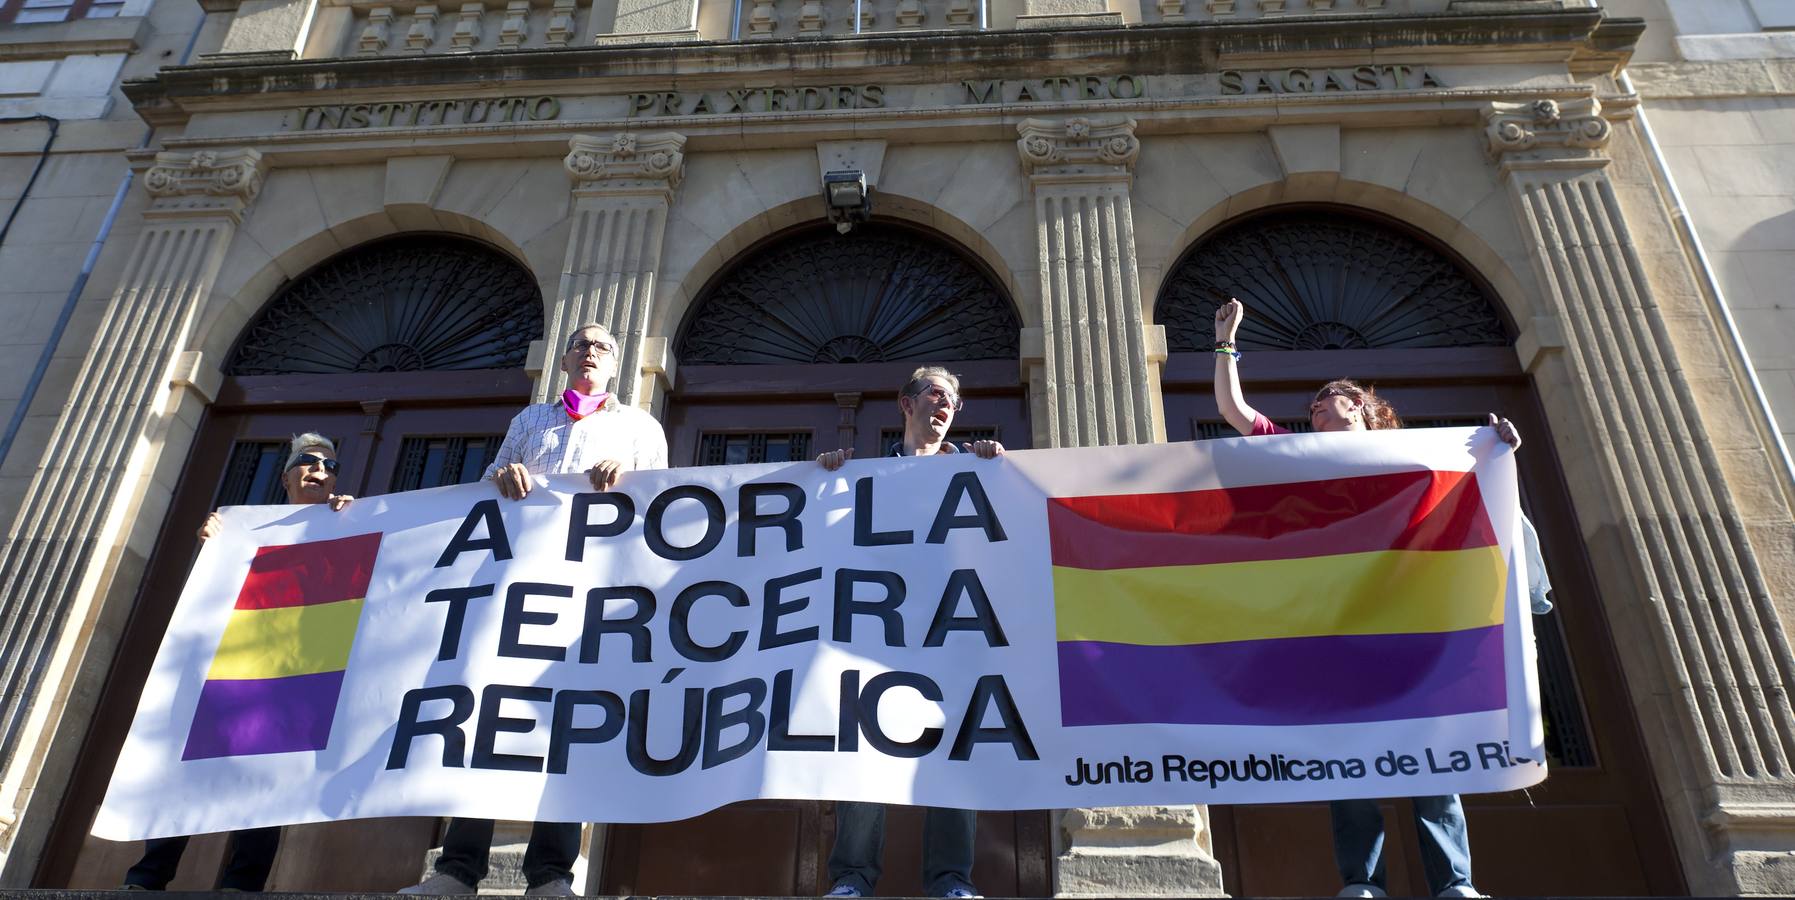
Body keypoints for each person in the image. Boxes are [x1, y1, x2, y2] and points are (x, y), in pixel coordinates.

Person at [1213, 298, 1521, 899]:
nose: (1314, 412)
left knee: (1429, 750)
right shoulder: (1300, 457)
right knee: (1347, 751)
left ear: (1355, 404)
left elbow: (1475, 486)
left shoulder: (1416, 455)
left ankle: (1454, 882)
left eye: (1324, 402)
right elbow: (1233, 411)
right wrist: (1226, 342)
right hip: (1336, 627)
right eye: (1310, 409)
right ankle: (1362, 882)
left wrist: (1503, 447)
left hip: (1408, 624)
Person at [401, 323, 667, 897]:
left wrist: (628, 483)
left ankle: (550, 873)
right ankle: (456, 869)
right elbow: (484, 491)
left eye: (603, 346)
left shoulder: (640, 429)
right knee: (483, 715)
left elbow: (660, 509)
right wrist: (503, 477)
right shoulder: (528, 422)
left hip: (590, 599)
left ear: (616, 365)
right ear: (564, 358)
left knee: (566, 725)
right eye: (582, 344)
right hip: (515, 592)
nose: (591, 352)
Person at [122, 434, 354, 891]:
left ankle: (243, 886)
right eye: (308, 462)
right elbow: (211, 590)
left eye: (331, 466)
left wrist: (356, 523)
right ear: (286, 475)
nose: (321, 471)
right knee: (191, 770)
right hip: (233, 660)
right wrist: (214, 545)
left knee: (264, 781)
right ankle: (147, 878)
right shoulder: (241, 527)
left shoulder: (346, 521)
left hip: (297, 670)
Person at [815, 365, 1000, 900]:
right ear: (907, 403)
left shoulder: (978, 471)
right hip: (878, 635)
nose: (947, 406)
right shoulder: (868, 475)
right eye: (938, 395)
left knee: (952, 753)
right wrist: (826, 479)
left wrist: (1001, 474)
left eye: (956, 401)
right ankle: (851, 879)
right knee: (865, 750)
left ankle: (951, 881)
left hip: (956, 634)